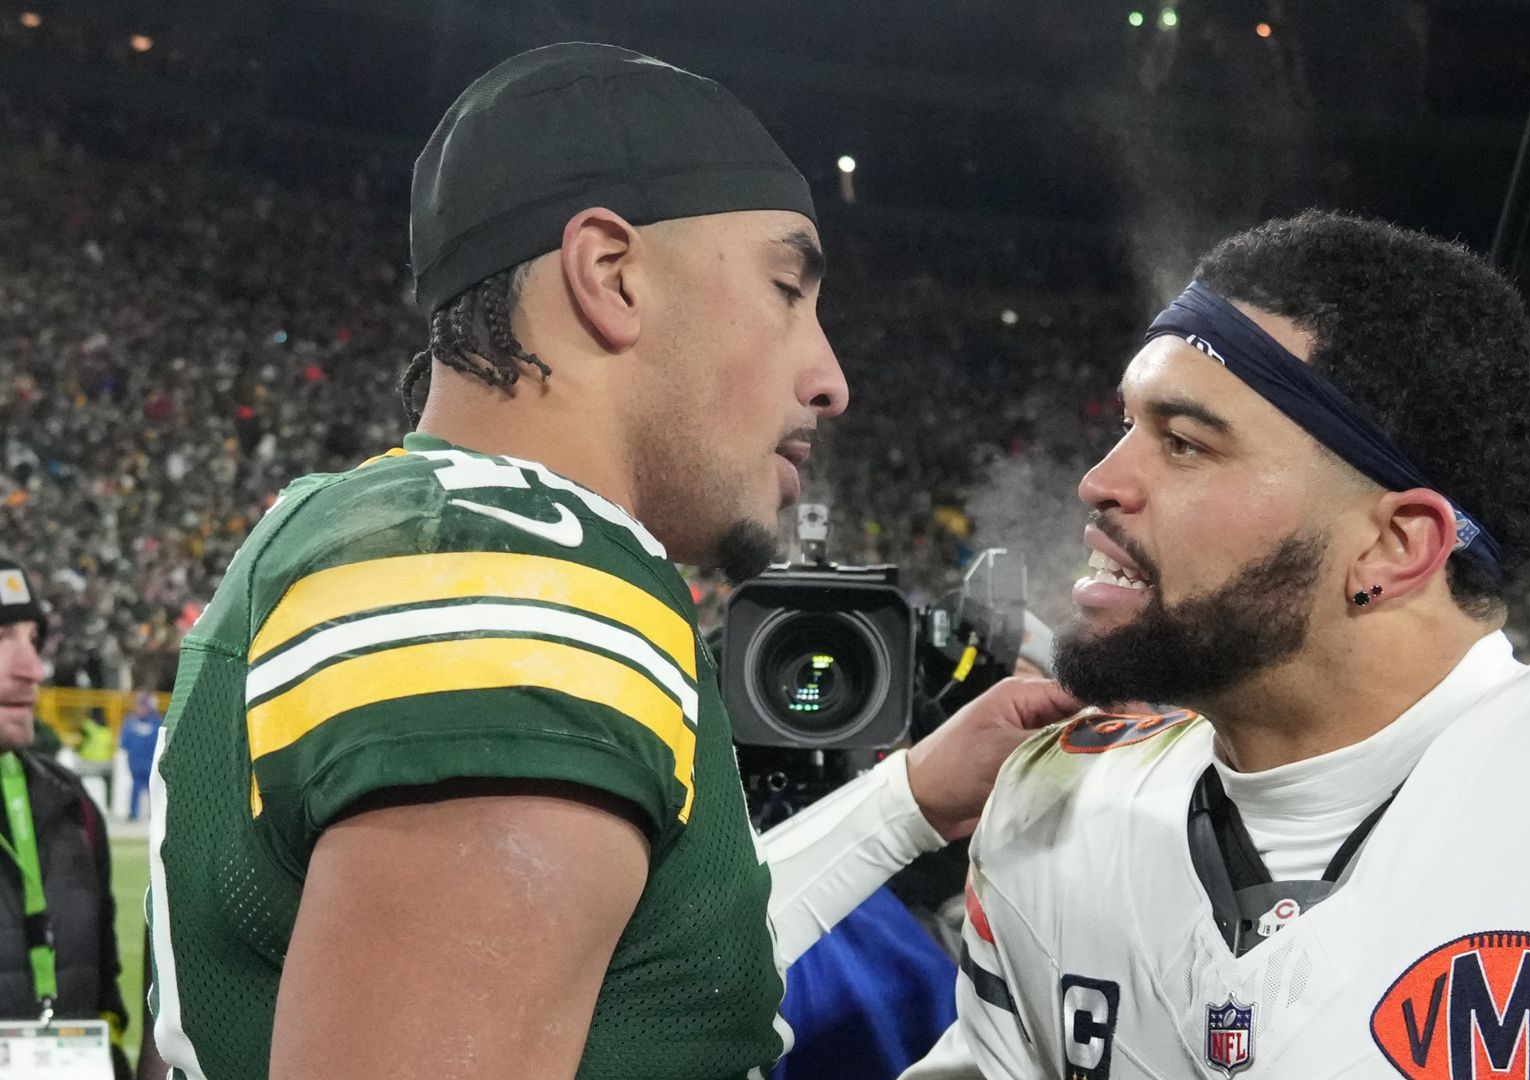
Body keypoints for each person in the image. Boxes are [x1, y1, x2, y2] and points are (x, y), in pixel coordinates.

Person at [148, 44, 1077, 1080]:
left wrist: (907, 800)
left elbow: (639, 976)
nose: (830, 378)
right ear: (610, 275)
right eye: (787, 289)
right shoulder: (519, 581)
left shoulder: (394, 529)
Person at [907, 211, 1530, 1078]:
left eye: (1184, 442)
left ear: (1396, 547)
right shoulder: (1055, 804)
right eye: (1127, 426)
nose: (1100, 481)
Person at [0, 555, 132, 1079]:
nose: (33, 669)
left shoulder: (70, 803)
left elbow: (104, 994)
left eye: (33, 641)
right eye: (2, 637)